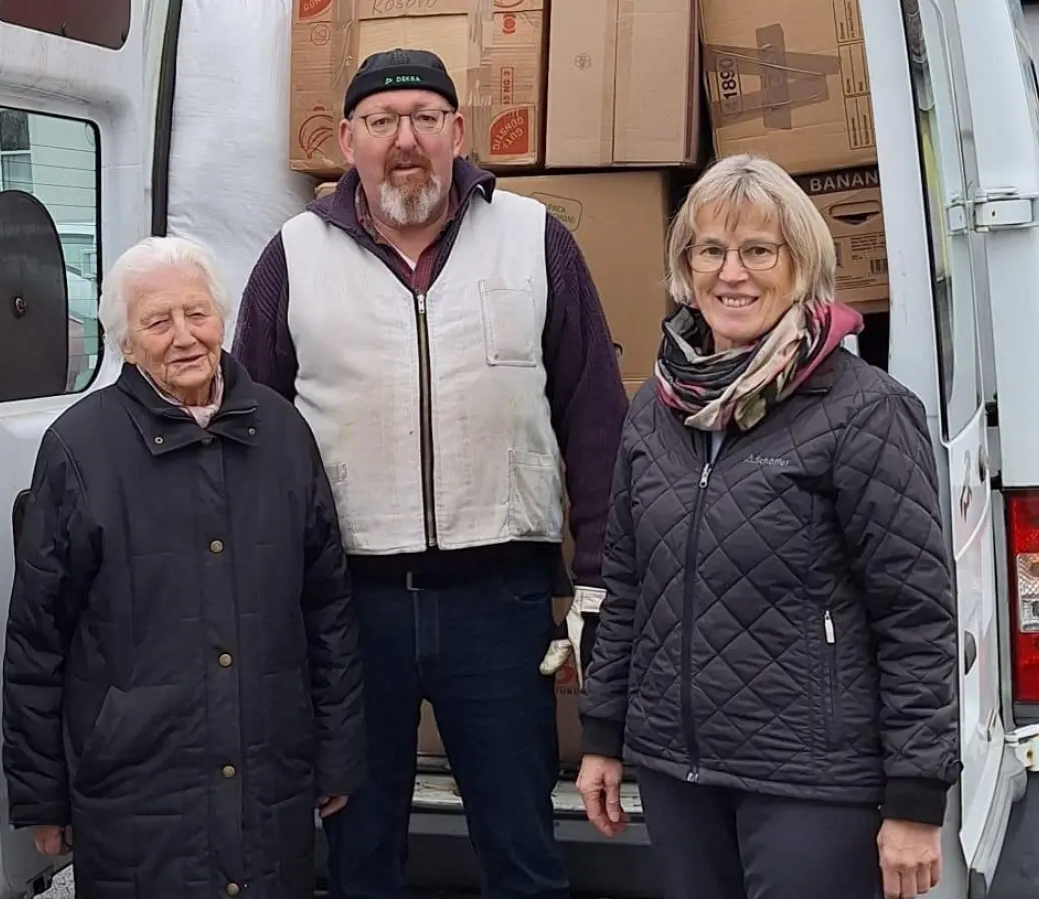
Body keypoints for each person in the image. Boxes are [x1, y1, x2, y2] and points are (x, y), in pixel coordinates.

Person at [233, 46, 627, 899]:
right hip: (348, 607)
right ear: (347, 139)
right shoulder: (292, 257)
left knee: (521, 845)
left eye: (422, 118)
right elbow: (250, 442)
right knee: (361, 851)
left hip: (501, 601)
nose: (403, 139)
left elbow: (596, 421)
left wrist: (598, 582)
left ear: (457, 131)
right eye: (381, 121)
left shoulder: (534, 239)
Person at [575, 153, 961, 899]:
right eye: (711, 250)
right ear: (685, 267)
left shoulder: (864, 411)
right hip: (676, 771)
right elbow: (625, 590)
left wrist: (916, 797)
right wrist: (603, 735)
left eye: (758, 250)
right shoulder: (655, 411)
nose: (732, 273)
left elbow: (917, 617)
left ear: (800, 263)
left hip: (810, 780)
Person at [1, 235, 366, 899]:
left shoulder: (283, 434)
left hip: (269, 778)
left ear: (222, 318)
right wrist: (40, 794)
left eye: (197, 314)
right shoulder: (79, 449)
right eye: (158, 321)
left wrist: (337, 753)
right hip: (135, 788)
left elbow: (328, 609)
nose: (184, 337)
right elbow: (37, 636)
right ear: (125, 340)